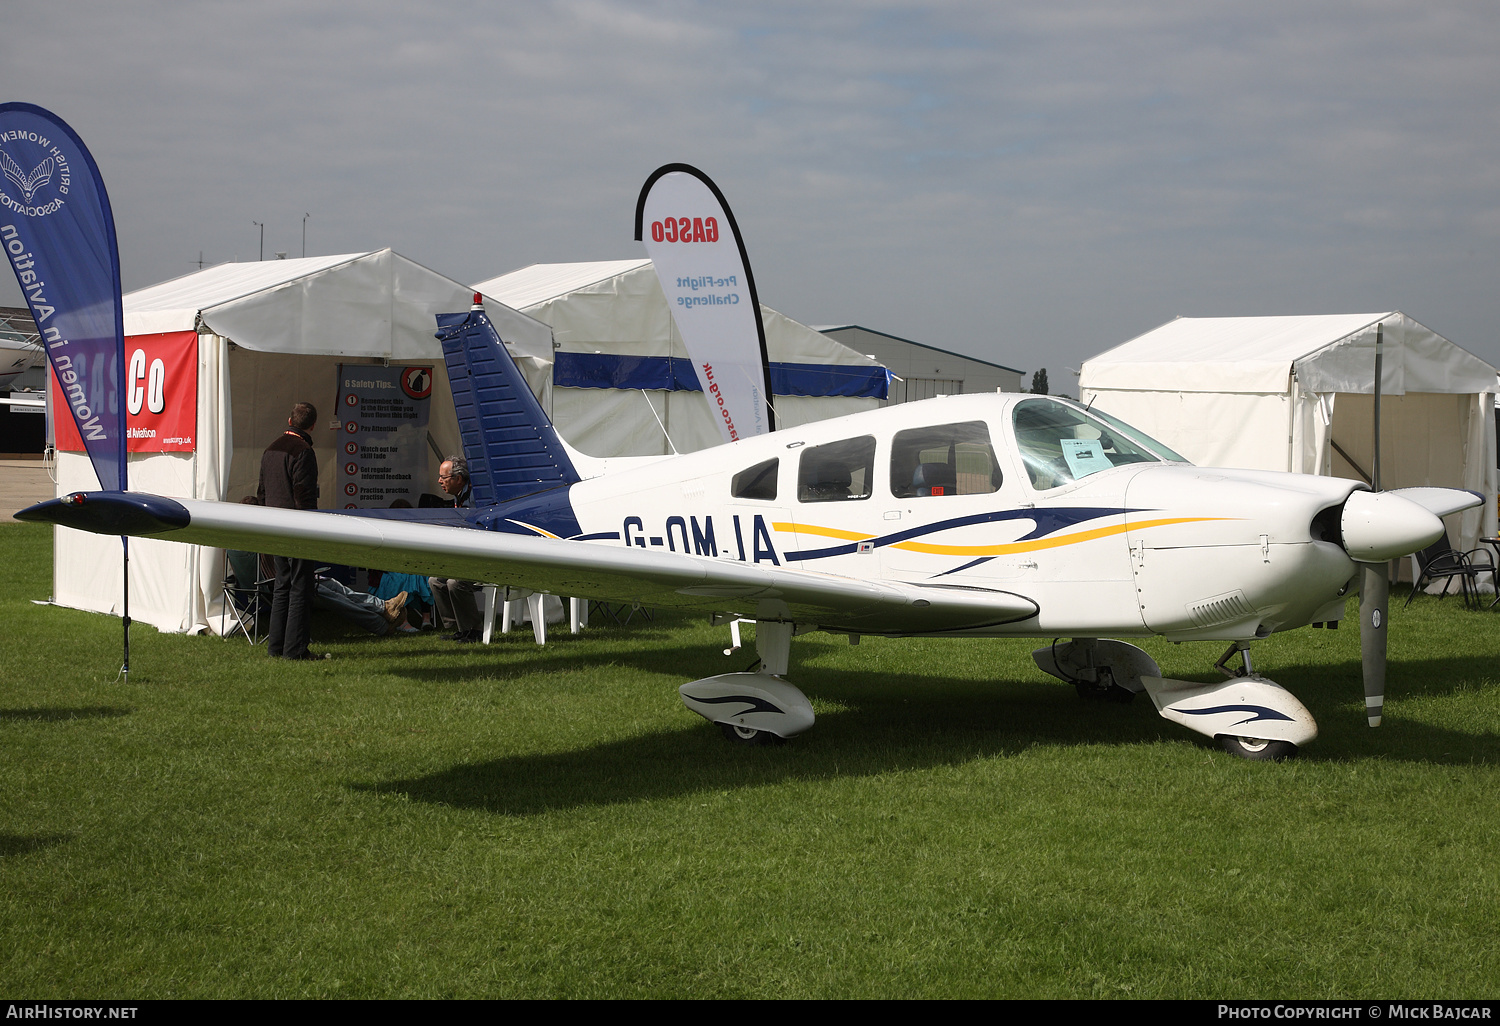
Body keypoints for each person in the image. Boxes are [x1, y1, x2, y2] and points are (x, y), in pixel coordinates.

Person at [258, 401, 321, 659]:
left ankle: (276, 647)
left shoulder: (270, 450)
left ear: (289, 420)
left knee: (282, 585)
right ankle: (295, 650)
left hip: (273, 525)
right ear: (313, 426)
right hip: (295, 527)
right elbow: (304, 498)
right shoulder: (303, 451)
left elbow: (261, 493)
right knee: (300, 587)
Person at [428, 455, 483, 642]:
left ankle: (475, 631)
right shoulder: (458, 496)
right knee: (435, 581)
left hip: (482, 558)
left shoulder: (476, 498)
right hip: (465, 558)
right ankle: (458, 628)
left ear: (458, 479)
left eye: (443, 477)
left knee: (455, 583)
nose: (439, 481)